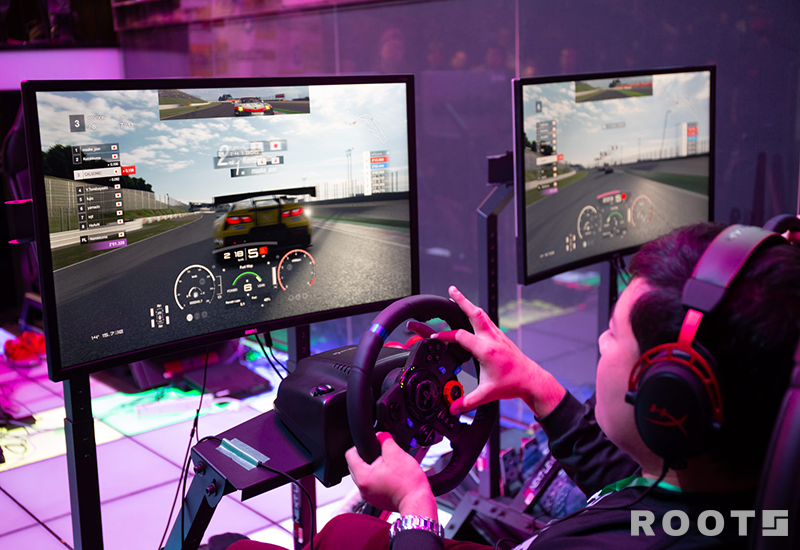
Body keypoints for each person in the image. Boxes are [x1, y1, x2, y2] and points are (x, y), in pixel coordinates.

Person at [231, 221, 800, 550]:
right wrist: (537, 387)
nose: (599, 342)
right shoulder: (736, 501)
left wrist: (414, 507)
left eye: (611, 334)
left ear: (667, 399)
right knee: (347, 533)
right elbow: (630, 489)